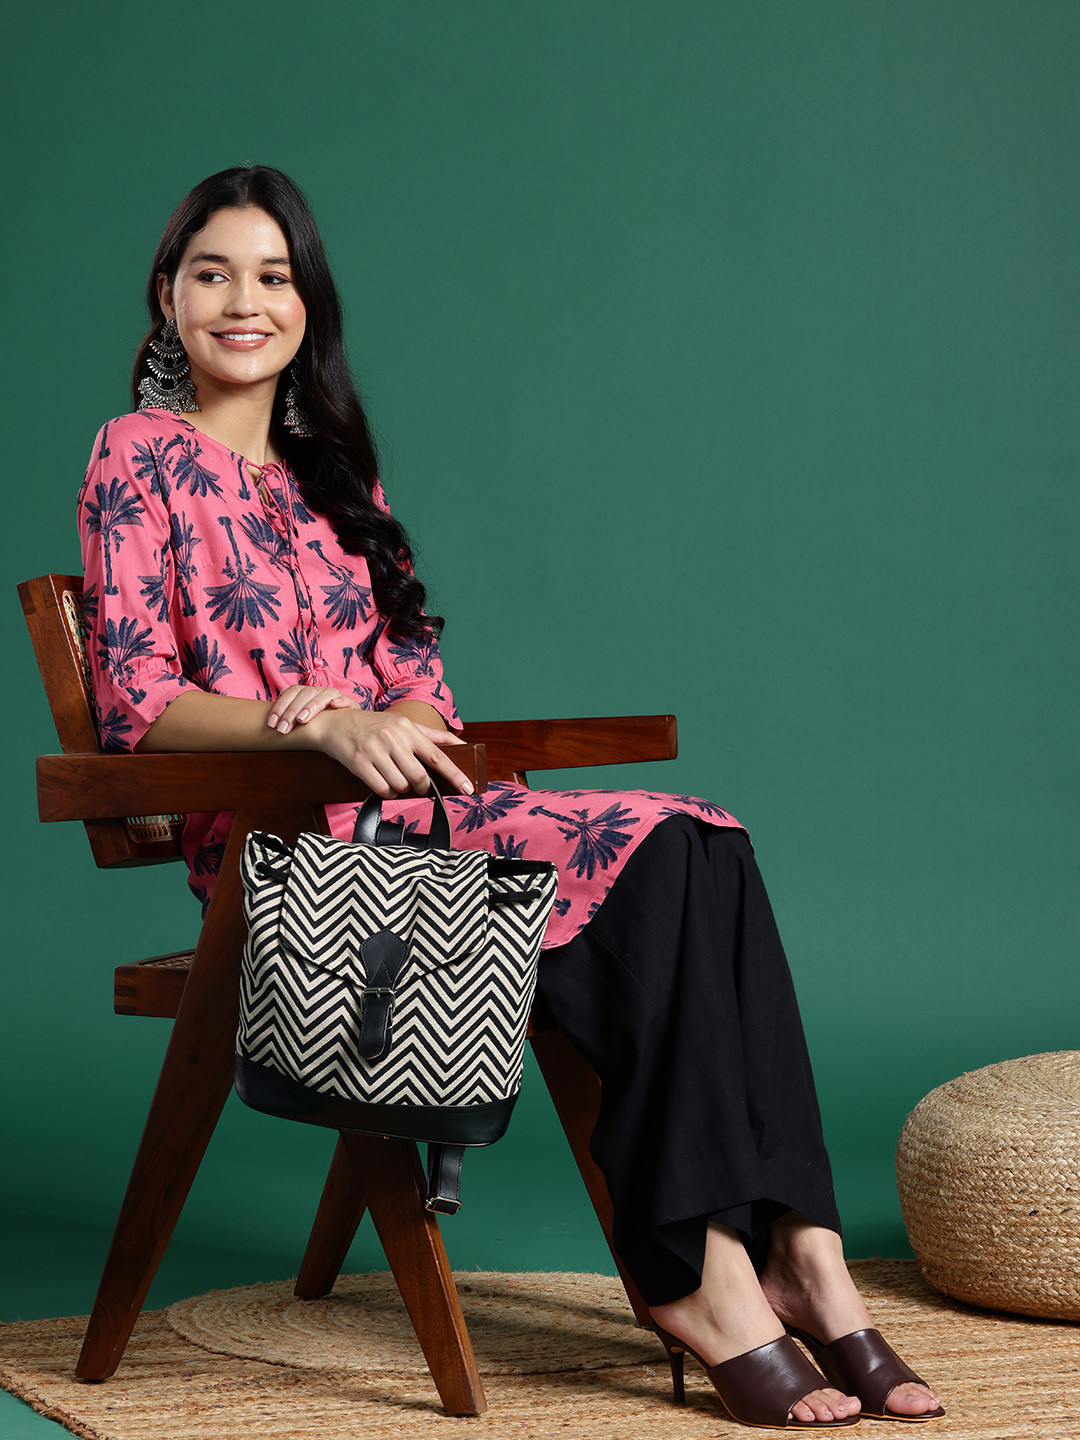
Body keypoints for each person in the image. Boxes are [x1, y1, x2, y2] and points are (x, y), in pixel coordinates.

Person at [77, 165, 943, 1429]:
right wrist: (305, 721)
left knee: (700, 844)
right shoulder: (137, 453)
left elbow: (421, 690)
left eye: (273, 276)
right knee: (660, 871)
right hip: (286, 850)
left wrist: (388, 718)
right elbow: (136, 703)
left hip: (426, 811)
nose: (243, 301)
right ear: (169, 297)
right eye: (213, 274)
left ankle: (803, 1254)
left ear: (309, 309)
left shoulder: (338, 478)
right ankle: (702, 1282)